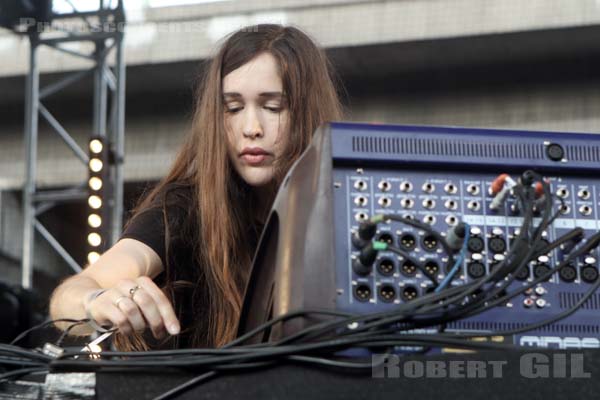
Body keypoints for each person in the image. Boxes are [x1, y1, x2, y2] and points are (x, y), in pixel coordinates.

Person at [49, 24, 344, 350]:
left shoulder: (343, 210)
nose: (250, 128)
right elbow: (68, 301)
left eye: (272, 107)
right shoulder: (185, 205)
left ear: (306, 111)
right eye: (232, 108)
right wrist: (96, 300)